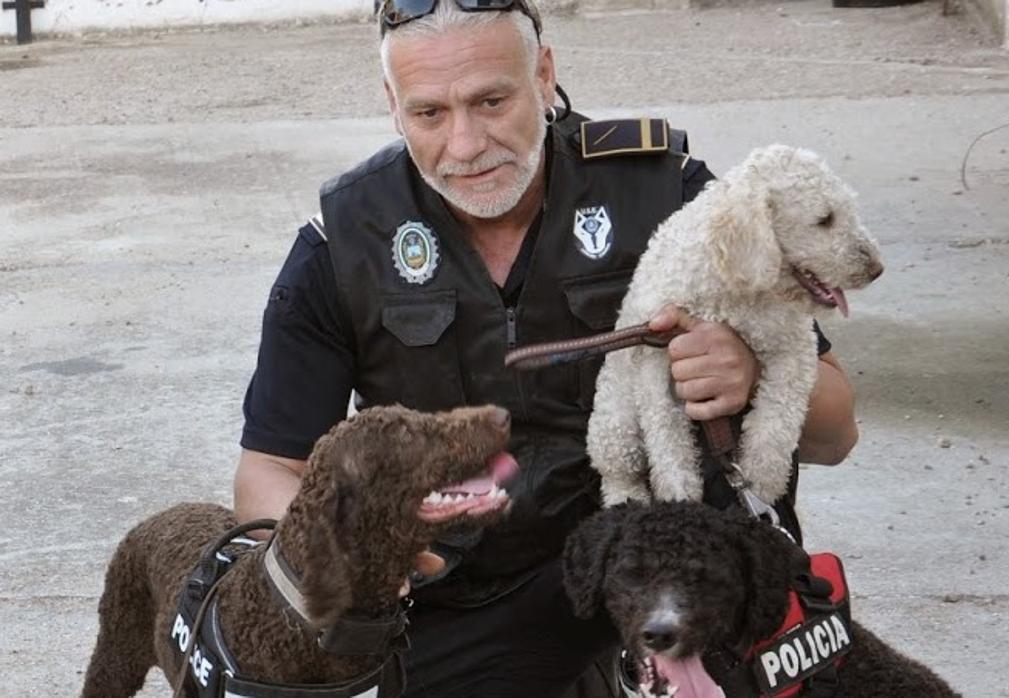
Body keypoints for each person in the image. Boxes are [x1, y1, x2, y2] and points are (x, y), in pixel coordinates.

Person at [232, 0, 860, 695]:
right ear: (392, 104)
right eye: (429, 113)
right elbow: (269, 467)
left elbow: (836, 433)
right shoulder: (346, 242)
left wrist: (751, 373)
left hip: (673, 564)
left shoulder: (669, 194)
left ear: (543, 75)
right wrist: (344, 557)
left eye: (491, 101)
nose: (465, 144)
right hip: (465, 597)